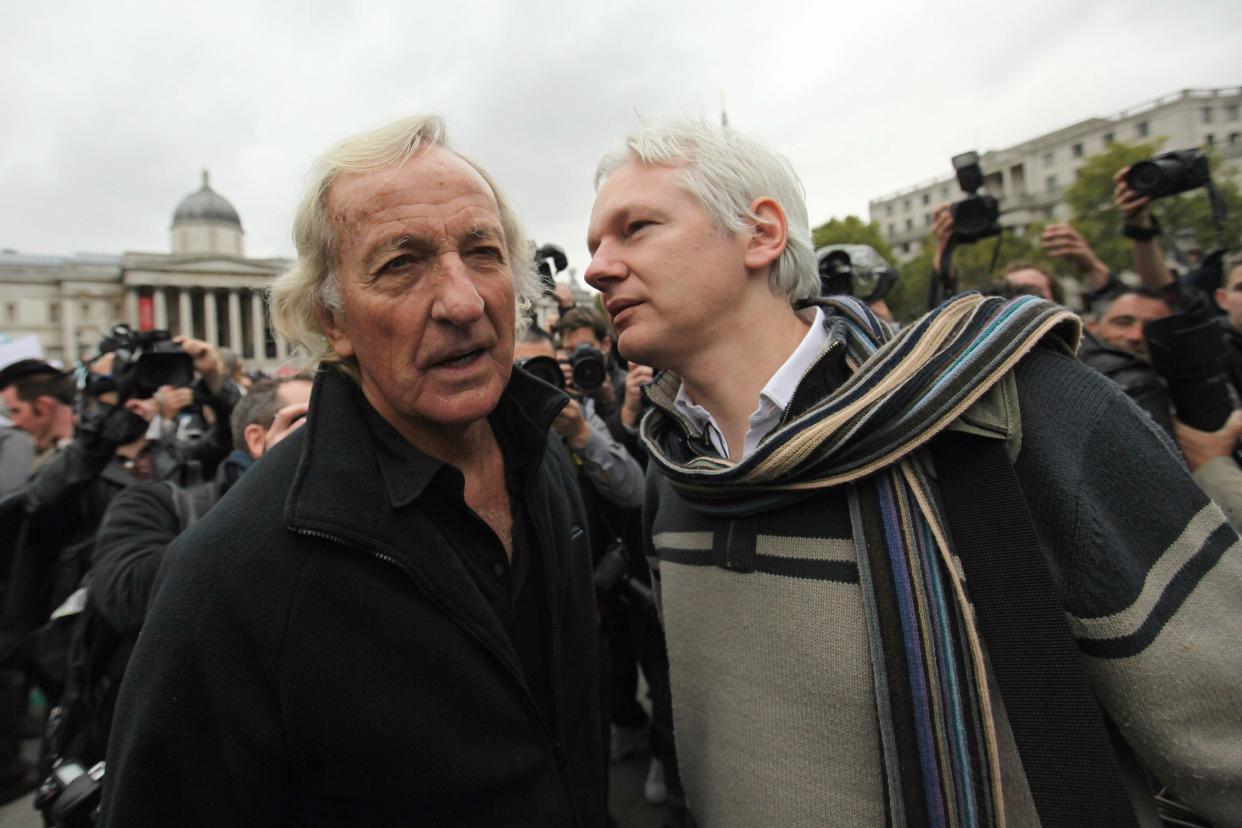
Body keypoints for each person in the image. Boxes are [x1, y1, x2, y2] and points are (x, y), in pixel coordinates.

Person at [584, 119, 1241, 827]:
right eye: (593, 246)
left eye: (636, 228)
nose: (596, 268)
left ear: (760, 234)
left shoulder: (1008, 409)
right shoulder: (677, 469)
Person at [99, 114, 605, 828]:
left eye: (482, 251)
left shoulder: (545, 459)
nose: (462, 301)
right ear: (331, 320)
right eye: (401, 263)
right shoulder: (230, 575)